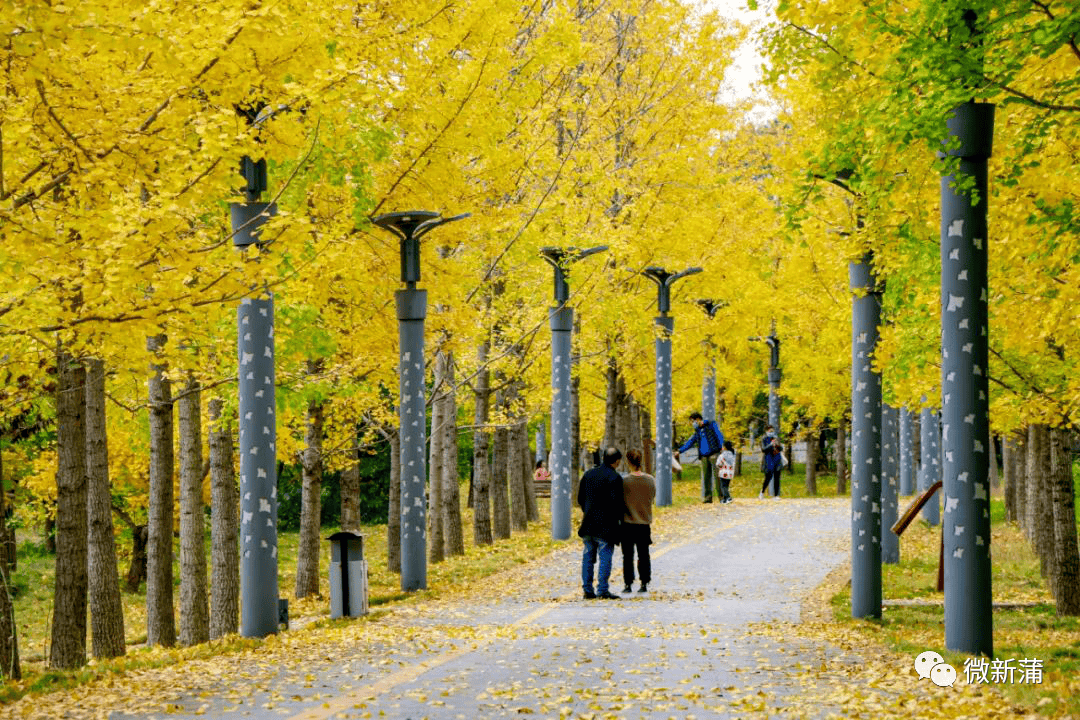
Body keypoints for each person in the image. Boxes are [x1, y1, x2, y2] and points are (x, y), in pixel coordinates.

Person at [578, 447, 626, 599]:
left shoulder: (588, 474)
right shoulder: (615, 478)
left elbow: (580, 498)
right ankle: (602, 590)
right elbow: (618, 503)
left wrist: (587, 510)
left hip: (588, 523)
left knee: (588, 557)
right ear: (617, 461)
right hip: (606, 526)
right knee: (605, 557)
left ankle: (587, 589)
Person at [620, 448, 655, 593]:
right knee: (643, 554)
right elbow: (652, 497)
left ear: (628, 462)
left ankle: (628, 584)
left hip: (628, 523)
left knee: (627, 555)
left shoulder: (624, 481)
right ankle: (644, 582)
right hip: (644, 523)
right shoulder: (650, 480)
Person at [678, 411, 725, 503]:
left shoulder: (711, 424)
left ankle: (722, 497)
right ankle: (708, 498)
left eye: (693, 421)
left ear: (698, 419)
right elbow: (690, 442)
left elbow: (719, 435)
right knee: (706, 478)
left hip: (714, 454)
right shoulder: (697, 432)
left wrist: (722, 447)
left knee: (718, 477)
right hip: (704, 456)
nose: (692, 424)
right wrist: (680, 451)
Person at [760, 424, 783, 498]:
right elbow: (763, 449)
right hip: (768, 459)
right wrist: (770, 445)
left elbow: (781, 448)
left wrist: (777, 445)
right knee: (768, 477)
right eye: (770, 431)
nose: (771, 432)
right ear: (766, 431)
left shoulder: (776, 438)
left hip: (777, 458)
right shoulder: (764, 439)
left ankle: (776, 495)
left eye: (772, 431)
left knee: (777, 477)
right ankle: (762, 491)